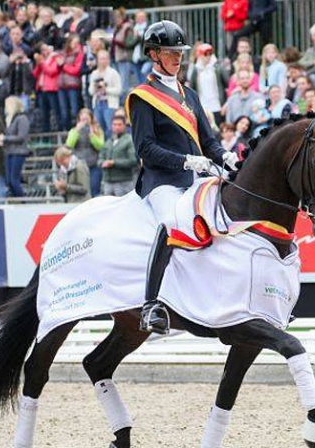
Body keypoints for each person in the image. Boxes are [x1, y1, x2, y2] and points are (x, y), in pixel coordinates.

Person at [125, 20, 238, 334]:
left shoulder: (188, 93)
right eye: (170, 51)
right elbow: (145, 149)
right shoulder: (143, 97)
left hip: (195, 179)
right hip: (161, 181)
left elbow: (208, 139)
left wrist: (226, 155)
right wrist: (186, 161)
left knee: (228, 216)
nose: (177, 57)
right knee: (172, 222)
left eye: (180, 51)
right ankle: (151, 306)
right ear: (154, 54)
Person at [66, 107, 105, 197]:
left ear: (91, 119)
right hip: (79, 166)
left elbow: (101, 146)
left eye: (86, 119)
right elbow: (69, 144)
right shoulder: (73, 131)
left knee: (95, 189)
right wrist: (76, 130)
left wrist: (92, 135)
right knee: (83, 191)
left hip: (93, 164)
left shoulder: (97, 130)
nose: (85, 121)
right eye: (83, 119)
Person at [0, 96, 30, 198]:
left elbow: (21, 137)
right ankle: (17, 199)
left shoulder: (22, 118)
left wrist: (5, 138)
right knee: (9, 180)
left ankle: (23, 201)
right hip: (9, 152)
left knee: (14, 180)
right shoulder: (9, 119)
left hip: (19, 152)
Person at [98, 114, 137, 196]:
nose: (117, 127)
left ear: (125, 126)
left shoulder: (129, 140)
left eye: (119, 124)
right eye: (114, 124)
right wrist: (102, 163)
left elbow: (133, 161)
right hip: (107, 182)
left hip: (123, 182)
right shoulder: (109, 141)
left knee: (123, 207)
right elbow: (100, 158)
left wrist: (114, 162)